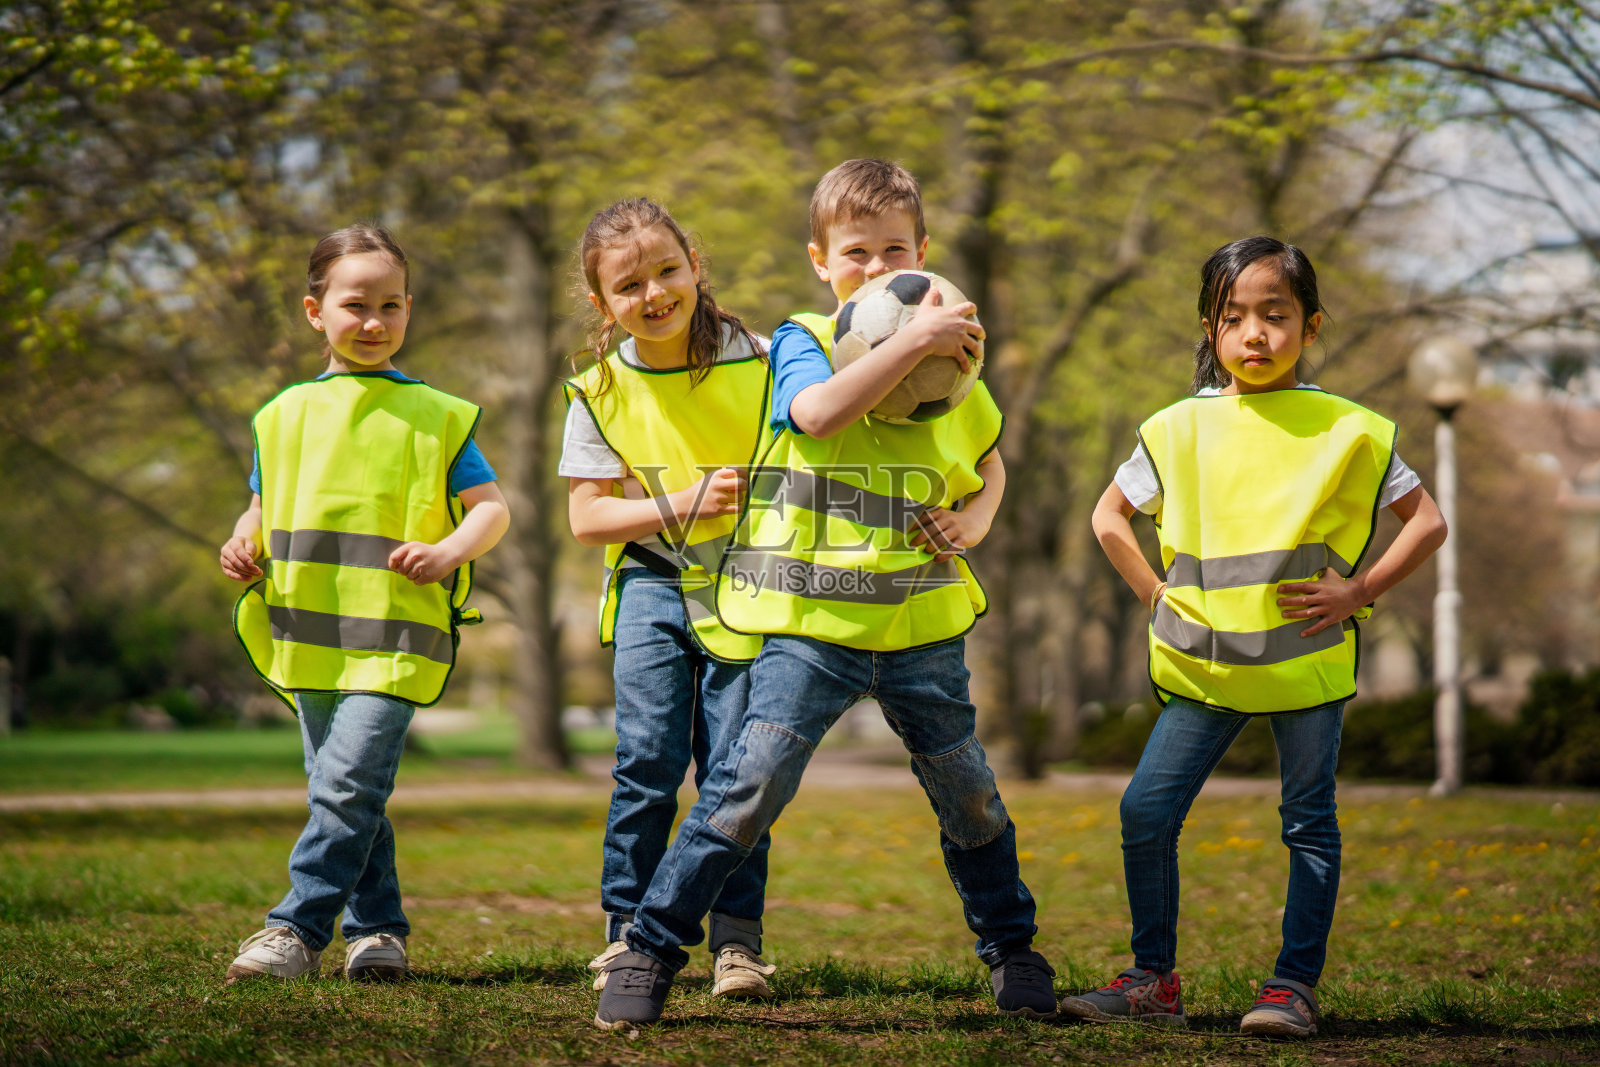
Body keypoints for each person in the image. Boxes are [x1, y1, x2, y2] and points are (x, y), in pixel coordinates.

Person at [592, 159, 1059, 1029]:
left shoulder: (958, 350)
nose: (876, 270)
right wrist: (914, 343)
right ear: (820, 260)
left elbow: (989, 454)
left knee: (969, 794)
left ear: (923, 253)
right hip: (811, 623)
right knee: (746, 782)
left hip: (920, 622)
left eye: (894, 250)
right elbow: (814, 415)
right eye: (855, 253)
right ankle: (652, 945)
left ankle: (1013, 947)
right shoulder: (802, 337)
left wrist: (980, 518)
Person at [1065, 235, 1447, 1037]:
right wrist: (1152, 591)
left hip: (1305, 661)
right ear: (1209, 328)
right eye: (1232, 316)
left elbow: (1429, 522)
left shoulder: (1351, 429)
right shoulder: (1175, 429)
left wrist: (1360, 590)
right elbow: (1108, 516)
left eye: (1275, 315)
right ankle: (1150, 980)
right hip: (1204, 665)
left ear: (1311, 326)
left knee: (1308, 821)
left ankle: (1292, 988)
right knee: (1145, 812)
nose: (1254, 334)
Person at [219, 223, 510, 984]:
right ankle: (378, 929)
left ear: (410, 309)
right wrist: (241, 541)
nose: (375, 321)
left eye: (391, 305)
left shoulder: (440, 415)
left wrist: (449, 551)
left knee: (347, 783)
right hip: (307, 635)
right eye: (356, 305)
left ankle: (295, 927)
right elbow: (261, 507)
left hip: (398, 637)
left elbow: (492, 510)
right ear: (315, 311)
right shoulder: (280, 416)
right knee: (346, 788)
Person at [562, 198, 779, 1000]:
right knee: (645, 765)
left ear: (696, 266)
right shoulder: (597, 390)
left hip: (754, 586)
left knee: (736, 770)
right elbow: (588, 518)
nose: (652, 293)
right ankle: (626, 932)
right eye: (628, 285)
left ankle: (737, 944)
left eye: (666, 271)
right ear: (601, 302)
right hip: (651, 580)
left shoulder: (763, 357)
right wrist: (678, 504)